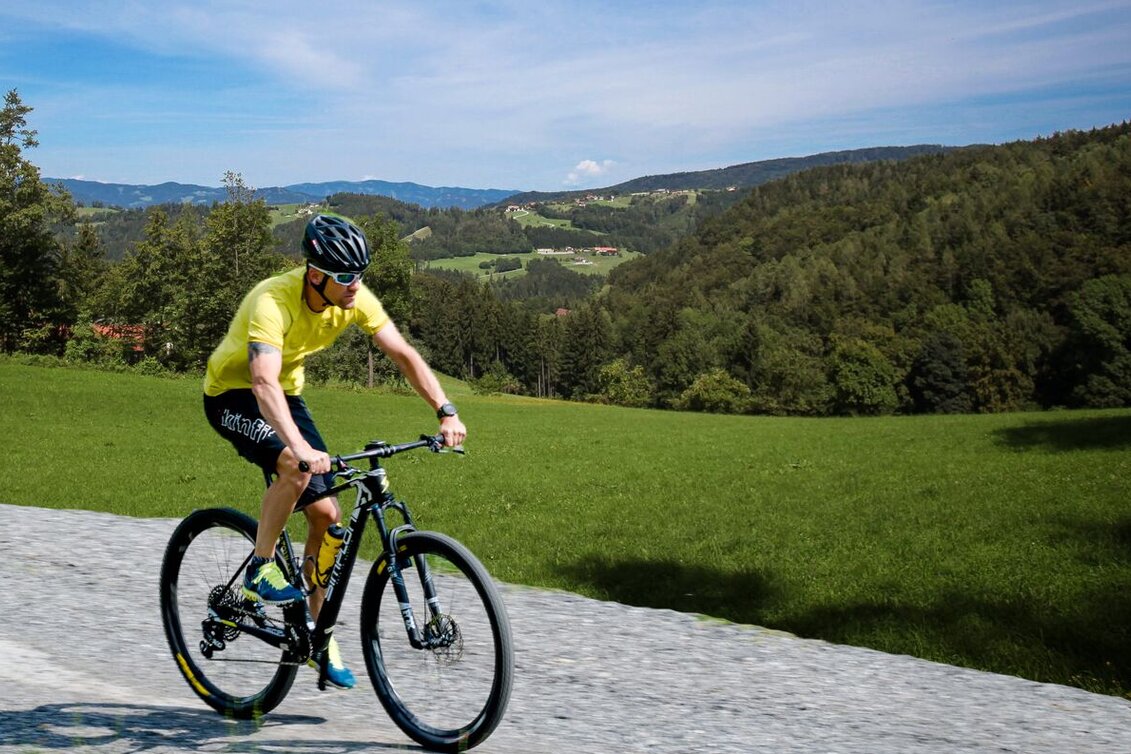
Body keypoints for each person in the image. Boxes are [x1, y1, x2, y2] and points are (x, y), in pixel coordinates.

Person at [202, 213, 465, 689]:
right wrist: (299, 448)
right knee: (294, 466)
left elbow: (402, 353)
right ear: (315, 274)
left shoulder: (353, 298)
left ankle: (317, 635)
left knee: (326, 517)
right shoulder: (272, 300)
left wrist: (445, 410)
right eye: (345, 277)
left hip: (286, 395)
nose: (354, 286)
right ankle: (260, 570)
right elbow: (261, 383)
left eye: (359, 276)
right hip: (232, 395)